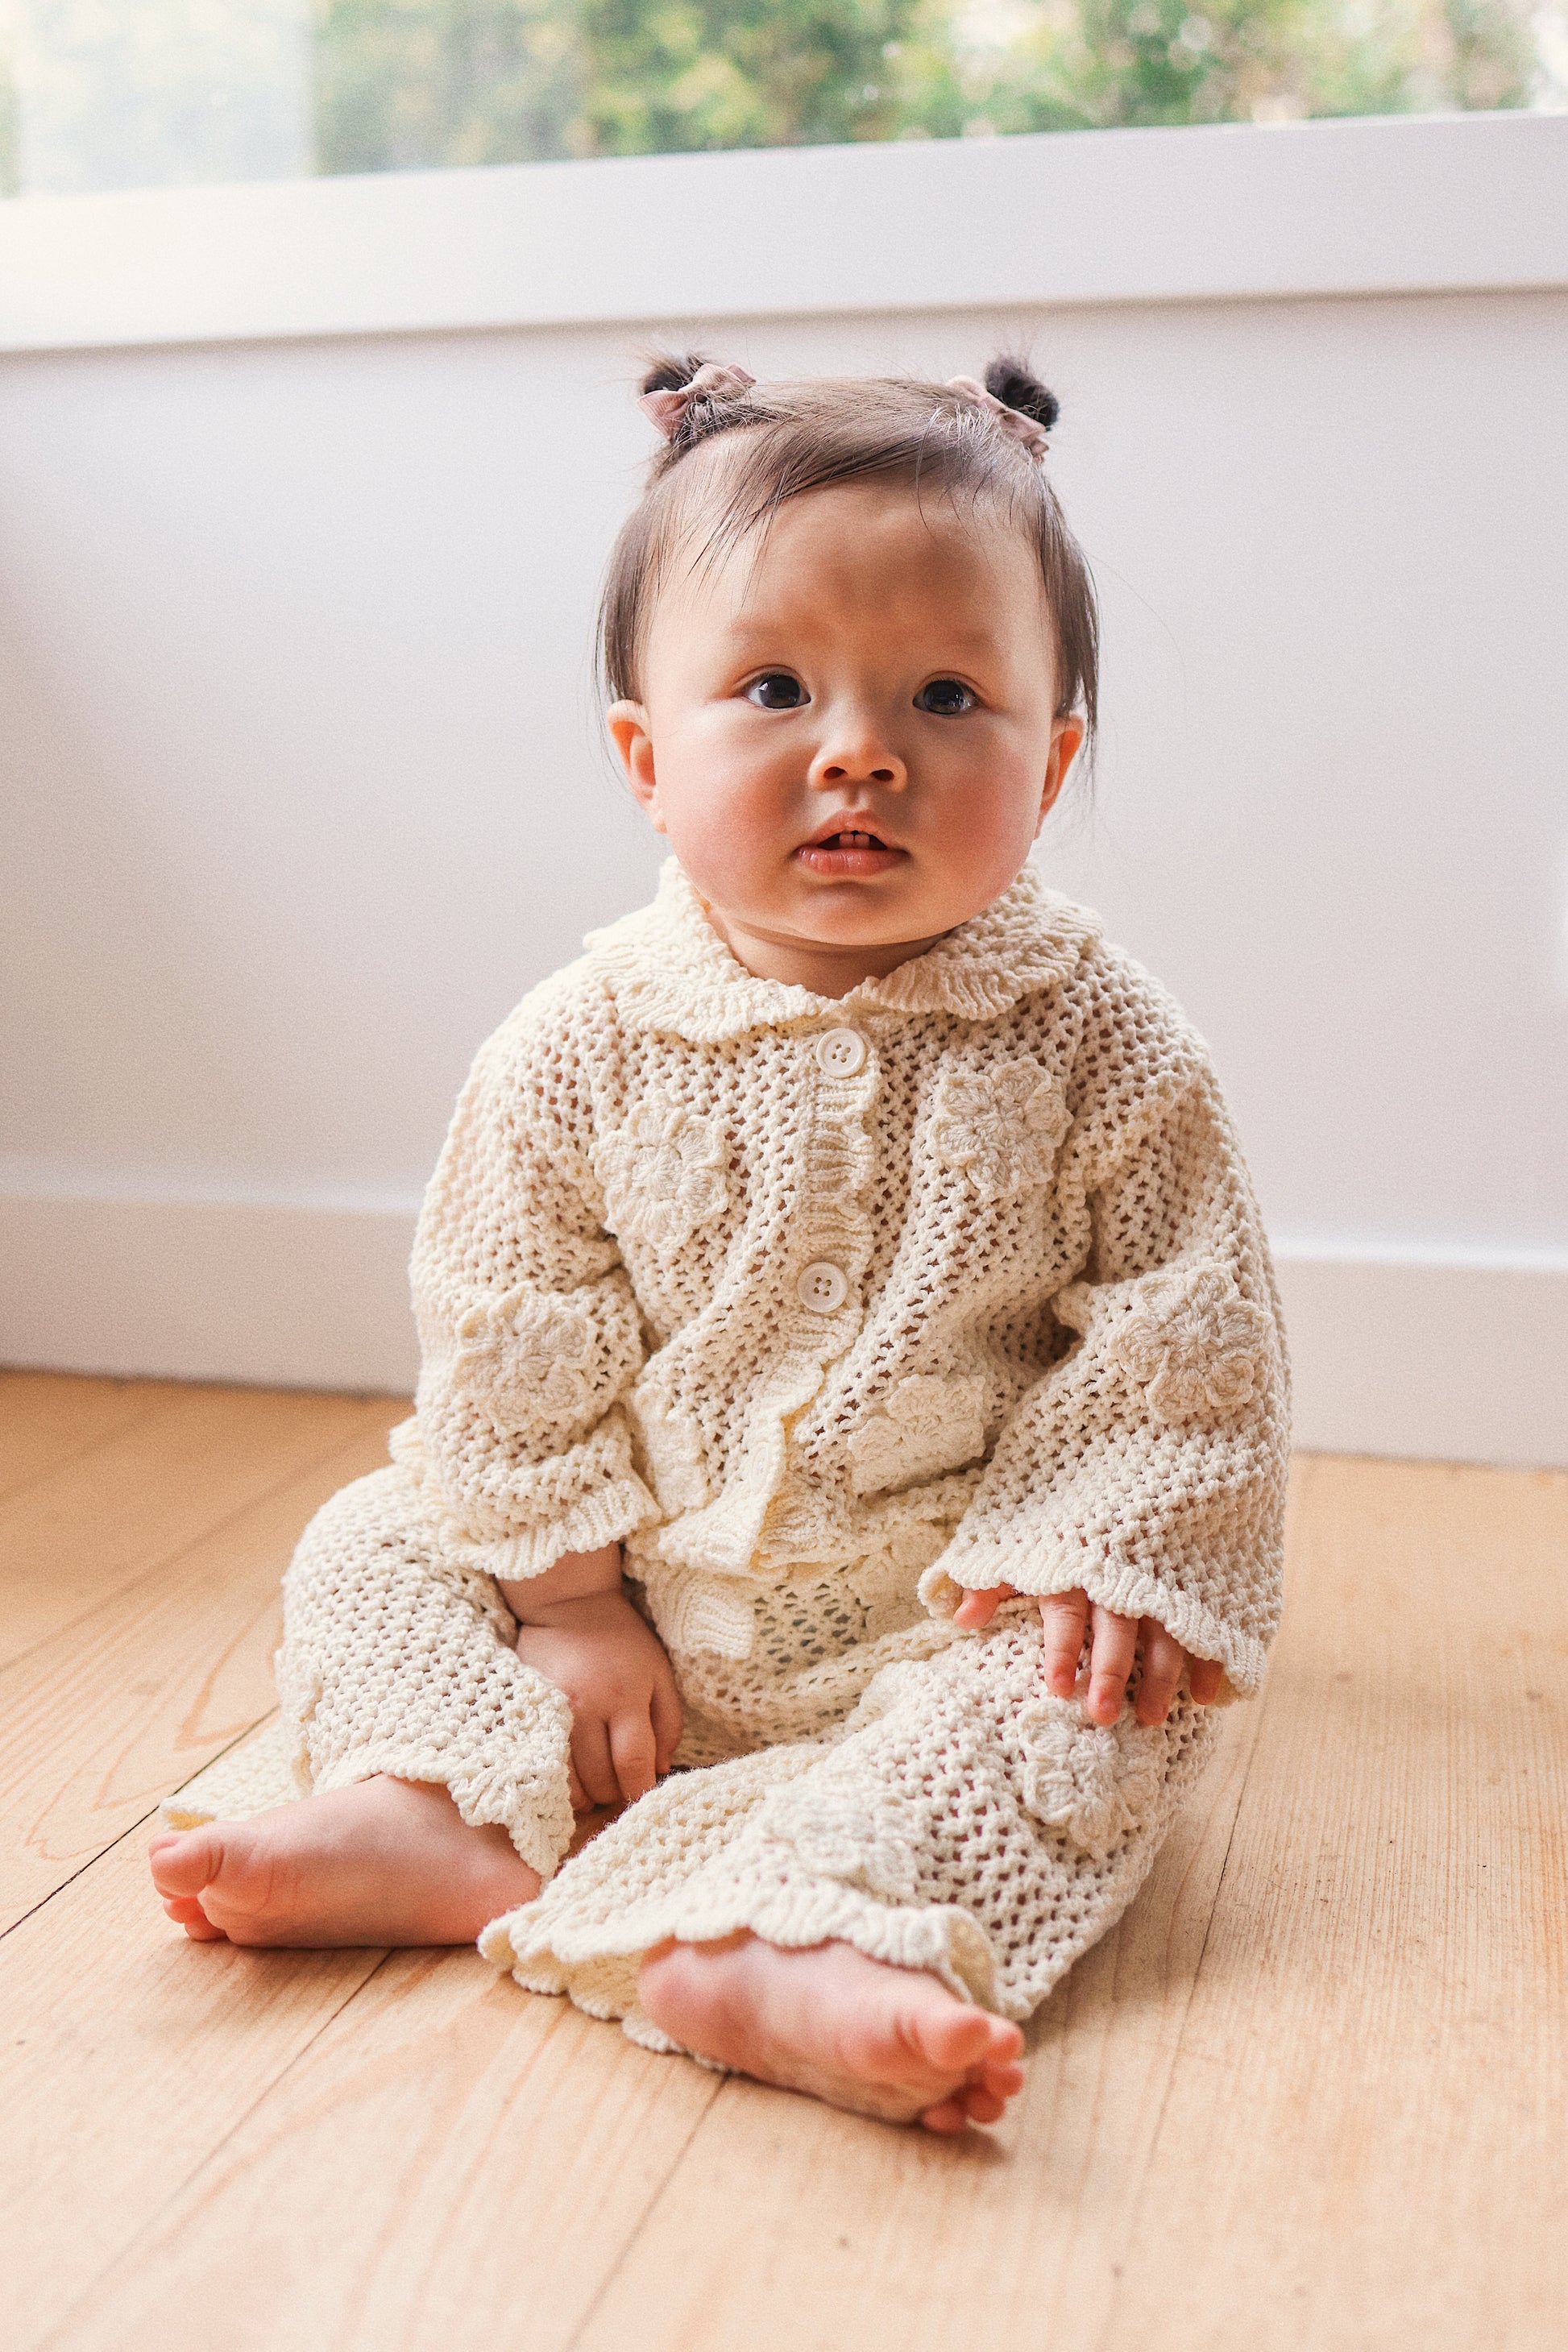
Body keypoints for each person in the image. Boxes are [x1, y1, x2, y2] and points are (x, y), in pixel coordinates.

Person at [149, 356, 1288, 2135]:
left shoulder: (1103, 1043)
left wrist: (1101, 1554)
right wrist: (567, 1602)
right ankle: (438, 1796)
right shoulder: (578, 1044)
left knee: (1096, 1704)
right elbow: (511, 1324)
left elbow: (1183, 1330)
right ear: (645, 759)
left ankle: (810, 1921)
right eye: (772, 689)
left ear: (1051, 762)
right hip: (621, 1577)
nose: (860, 749)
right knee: (372, 1536)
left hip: (938, 1604)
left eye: (947, 695)